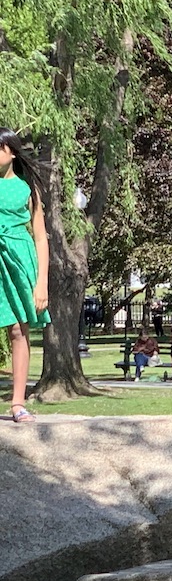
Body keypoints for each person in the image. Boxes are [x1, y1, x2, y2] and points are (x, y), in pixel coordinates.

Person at [0, 129, 50, 423]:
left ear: (12, 153)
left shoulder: (27, 190)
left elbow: (41, 238)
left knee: (18, 330)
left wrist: (41, 282)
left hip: (18, 261)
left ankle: (18, 403)